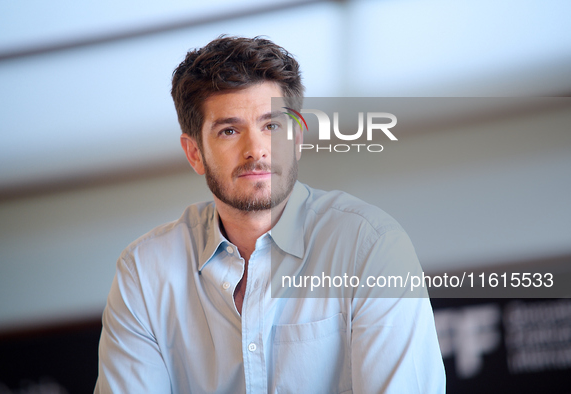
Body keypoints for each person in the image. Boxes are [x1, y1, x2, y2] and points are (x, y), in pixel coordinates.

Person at [95, 36, 445, 393]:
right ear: (194, 153)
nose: (256, 150)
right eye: (229, 131)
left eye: (272, 126)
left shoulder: (370, 247)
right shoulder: (144, 273)